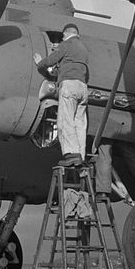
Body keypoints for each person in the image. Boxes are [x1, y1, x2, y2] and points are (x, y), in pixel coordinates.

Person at [34, 23, 90, 167]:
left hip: (69, 85)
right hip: (83, 88)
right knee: (80, 124)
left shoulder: (66, 44)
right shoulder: (83, 48)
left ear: (65, 34)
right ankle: (81, 156)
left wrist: (40, 63)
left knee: (66, 121)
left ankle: (71, 154)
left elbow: (51, 60)